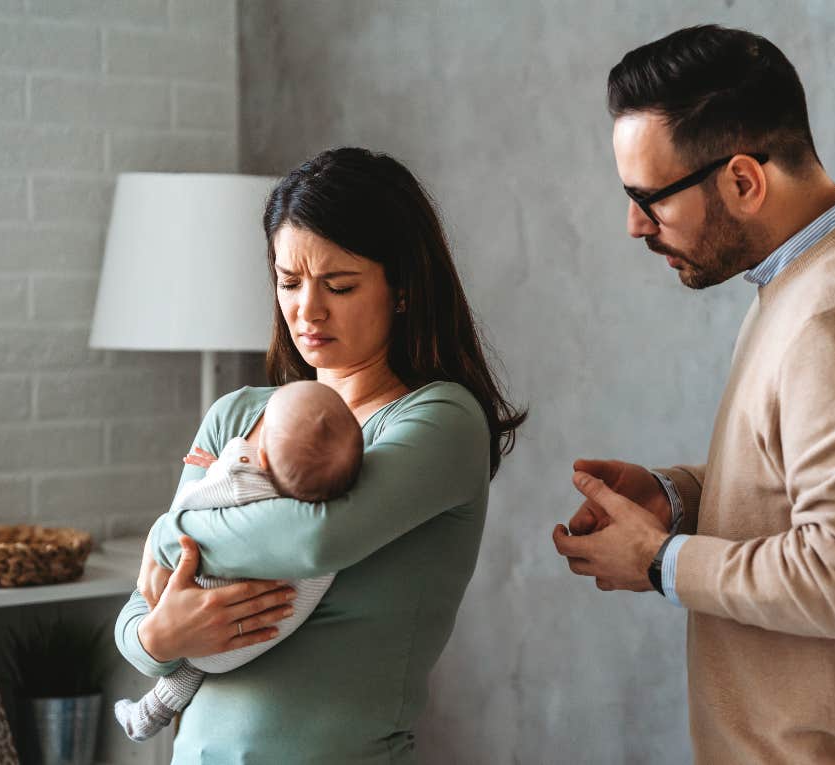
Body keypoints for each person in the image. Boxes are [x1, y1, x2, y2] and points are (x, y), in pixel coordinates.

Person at [551, 25, 835, 763]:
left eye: (649, 198)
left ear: (744, 180)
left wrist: (659, 560)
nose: (633, 225)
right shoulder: (814, 275)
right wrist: (676, 498)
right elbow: (808, 484)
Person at [113, 147, 526, 763]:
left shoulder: (441, 420)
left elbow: (315, 538)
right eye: (288, 282)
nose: (308, 309)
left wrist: (170, 531)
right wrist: (159, 635)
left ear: (404, 288)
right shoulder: (235, 415)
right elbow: (140, 614)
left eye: (339, 285)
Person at [114, 380, 362, 741]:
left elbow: (186, 510)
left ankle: (149, 712)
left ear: (262, 457)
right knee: (194, 662)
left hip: (211, 628)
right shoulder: (331, 506)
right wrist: (156, 637)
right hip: (266, 632)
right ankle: (152, 709)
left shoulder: (243, 479)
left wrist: (221, 466)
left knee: (190, 660)